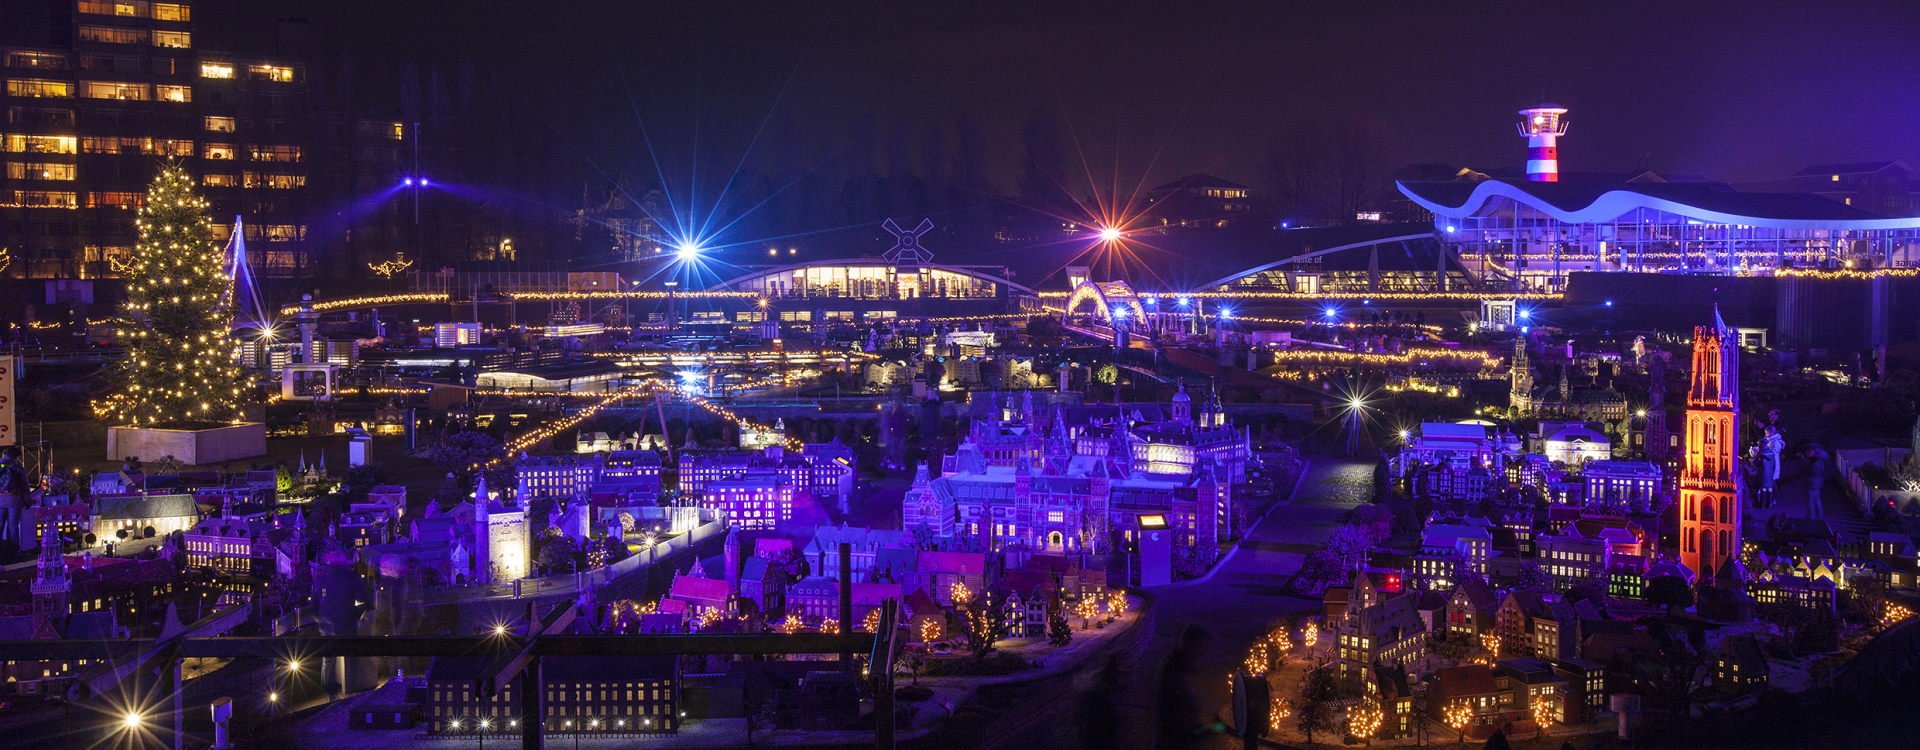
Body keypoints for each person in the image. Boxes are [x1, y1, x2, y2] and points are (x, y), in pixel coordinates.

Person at [0, 448, 26, 546]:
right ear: (16, 456)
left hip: (0, 500)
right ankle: (15, 549)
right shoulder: (18, 468)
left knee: (0, 525)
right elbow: (25, 486)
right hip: (14, 499)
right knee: (13, 525)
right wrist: (27, 501)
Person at [1804, 443, 1830, 520]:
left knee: (1810, 501)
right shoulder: (1820, 459)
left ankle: (1811, 517)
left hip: (1812, 483)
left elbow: (1812, 472)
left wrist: (1806, 465)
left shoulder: (1815, 462)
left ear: (1812, 452)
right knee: (1816, 500)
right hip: (1816, 483)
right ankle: (1819, 517)